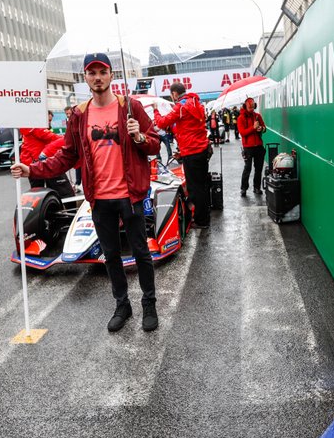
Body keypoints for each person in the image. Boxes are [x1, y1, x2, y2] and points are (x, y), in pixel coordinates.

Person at [11, 53, 161, 332]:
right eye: (92, 73)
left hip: (131, 196)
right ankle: (122, 305)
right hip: (100, 199)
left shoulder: (131, 107)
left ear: (111, 76)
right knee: (111, 255)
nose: (98, 77)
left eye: (102, 71)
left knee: (141, 253)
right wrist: (32, 170)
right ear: (85, 78)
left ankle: (149, 304)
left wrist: (139, 136)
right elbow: (67, 156)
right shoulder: (79, 115)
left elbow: (155, 145)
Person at [153, 82, 211, 228]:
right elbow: (187, 126)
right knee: (202, 185)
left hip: (191, 152)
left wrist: (155, 110)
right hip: (202, 149)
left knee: (194, 188)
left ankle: (201, 221)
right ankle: (204, 216)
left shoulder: (180, 107)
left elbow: (160, 122)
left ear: (174, 94)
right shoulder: (196, 103)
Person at [19, 110, 73, 197]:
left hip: (32, 162)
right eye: (48, 120)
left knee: (37, 192)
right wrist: (69, 138)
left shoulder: (29, 128)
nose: (49, 123)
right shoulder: (36, 128)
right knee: (63, 191)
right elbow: (53, 138)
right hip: (38, 162)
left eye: (50, 121)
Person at [236, 97, 267, 197]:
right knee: (247, 168)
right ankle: (244, 188)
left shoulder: (257, 116)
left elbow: (264, 128)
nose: (252, 109)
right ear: (245, 107)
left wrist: (260, 128)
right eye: (250, 108)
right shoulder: (240, 118)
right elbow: (242, 133)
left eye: (253, 107)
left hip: (258, 146)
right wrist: (253, 128)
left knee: (258, 169)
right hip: (248, 148)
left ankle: (256, 187)